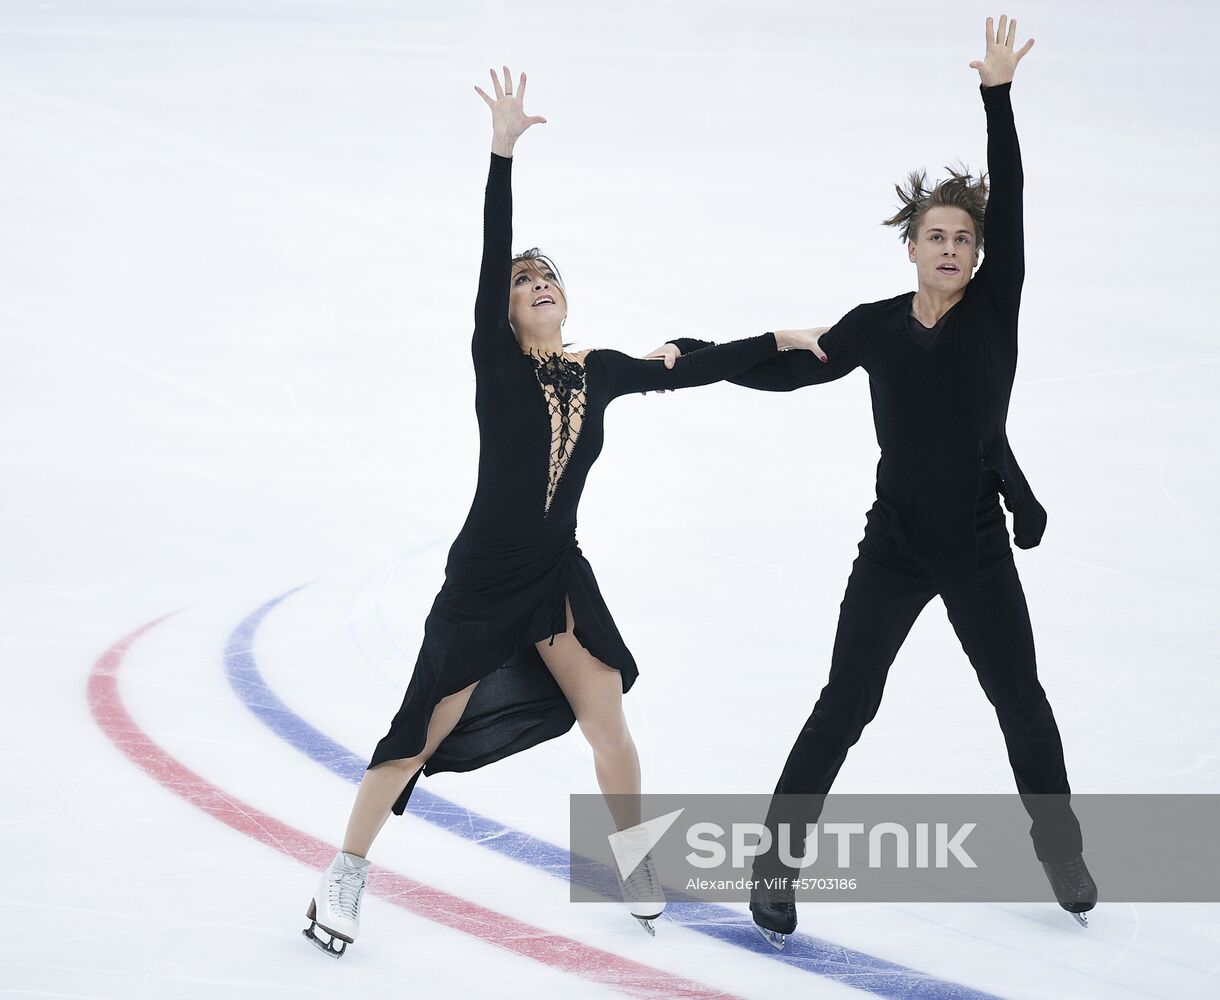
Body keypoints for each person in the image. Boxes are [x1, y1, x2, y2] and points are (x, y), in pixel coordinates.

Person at [301, 66, 826, 957]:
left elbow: (692, 366)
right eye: (522, 281)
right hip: (481, 583)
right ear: (503, 310)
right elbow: (489, 248)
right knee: (412, 741)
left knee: (607, 712)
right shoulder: (495, 361)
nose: (537, 282)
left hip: (556, 575)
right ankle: (343, 873)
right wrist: (501, 152)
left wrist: (782, 339)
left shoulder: (600, 368)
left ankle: (631, 863)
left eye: (548, 275)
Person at [647, 16, 1097, 946]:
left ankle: (1060, 848)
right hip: (893, 546)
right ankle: (776, 868)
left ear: (979, 254)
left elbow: (1009, 202)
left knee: (1022, 699)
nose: (950, 250)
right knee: (846, 701)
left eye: (964, 240)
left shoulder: (993, 308)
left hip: (973, 545)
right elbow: (792, 364)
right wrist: (694, 361)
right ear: (911, 246)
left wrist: (998, 96)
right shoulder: (880, 325)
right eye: (935, 236)